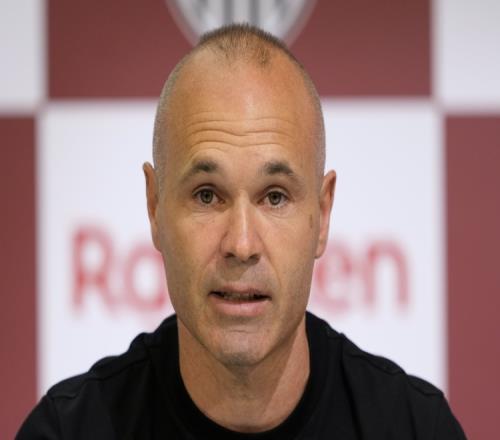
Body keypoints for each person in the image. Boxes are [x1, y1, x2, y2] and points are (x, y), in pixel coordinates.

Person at [17, 24, 466, 439]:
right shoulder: (67, 431)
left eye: (275, 197)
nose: (242, 244)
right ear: (155, 207)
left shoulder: (414, 428)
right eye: (207, 195)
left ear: (323, 213)